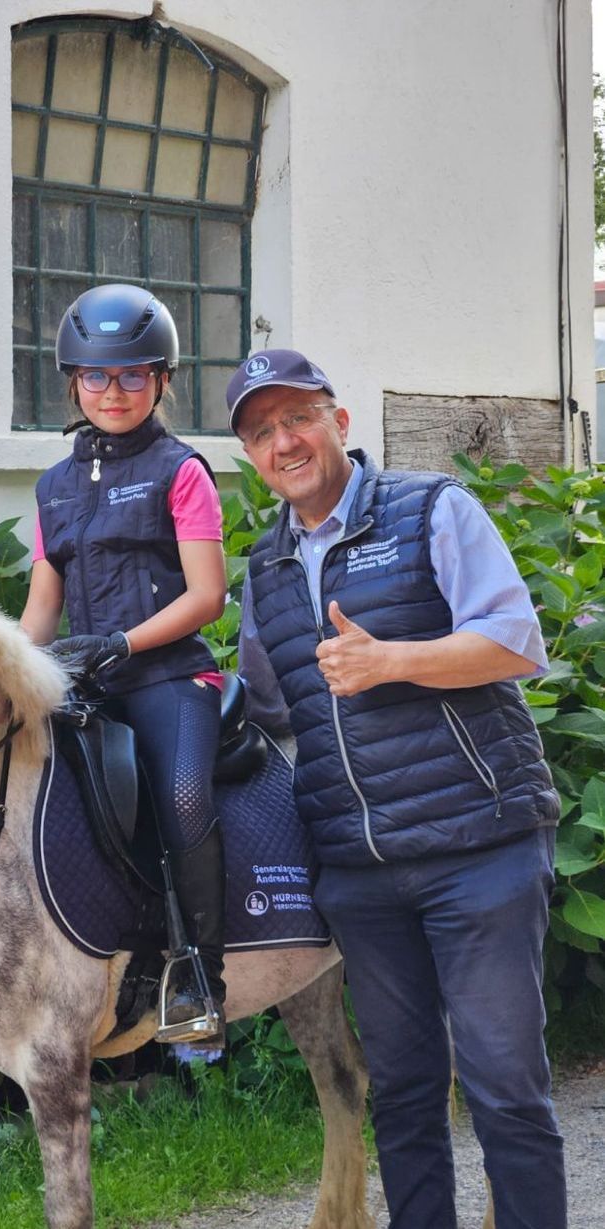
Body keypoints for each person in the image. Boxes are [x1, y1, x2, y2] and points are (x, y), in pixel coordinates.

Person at [229, 348, 566, 1229]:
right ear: (253, 459)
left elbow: (516, 638)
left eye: (297, 416)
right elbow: (264, 707)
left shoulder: (431, 510)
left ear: (339, 423)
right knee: (407, 1099)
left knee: (505, 1088)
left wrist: (392, 661)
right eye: (262, 431)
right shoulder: (264, 569)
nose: (284, 440)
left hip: (478, 847)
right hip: (362, 873)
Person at [20, 283, 228, 1046]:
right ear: (74, 383)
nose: (114, 392)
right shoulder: (54, 488)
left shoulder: (182, 471)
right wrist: (10, 671)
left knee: (178, 793)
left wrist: (123, 642)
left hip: (171, 679)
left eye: (134, 375)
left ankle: (201, 979)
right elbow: (43, 609)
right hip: (87, 686)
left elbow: (208, 595)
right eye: (97, 377)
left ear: (162, 380)